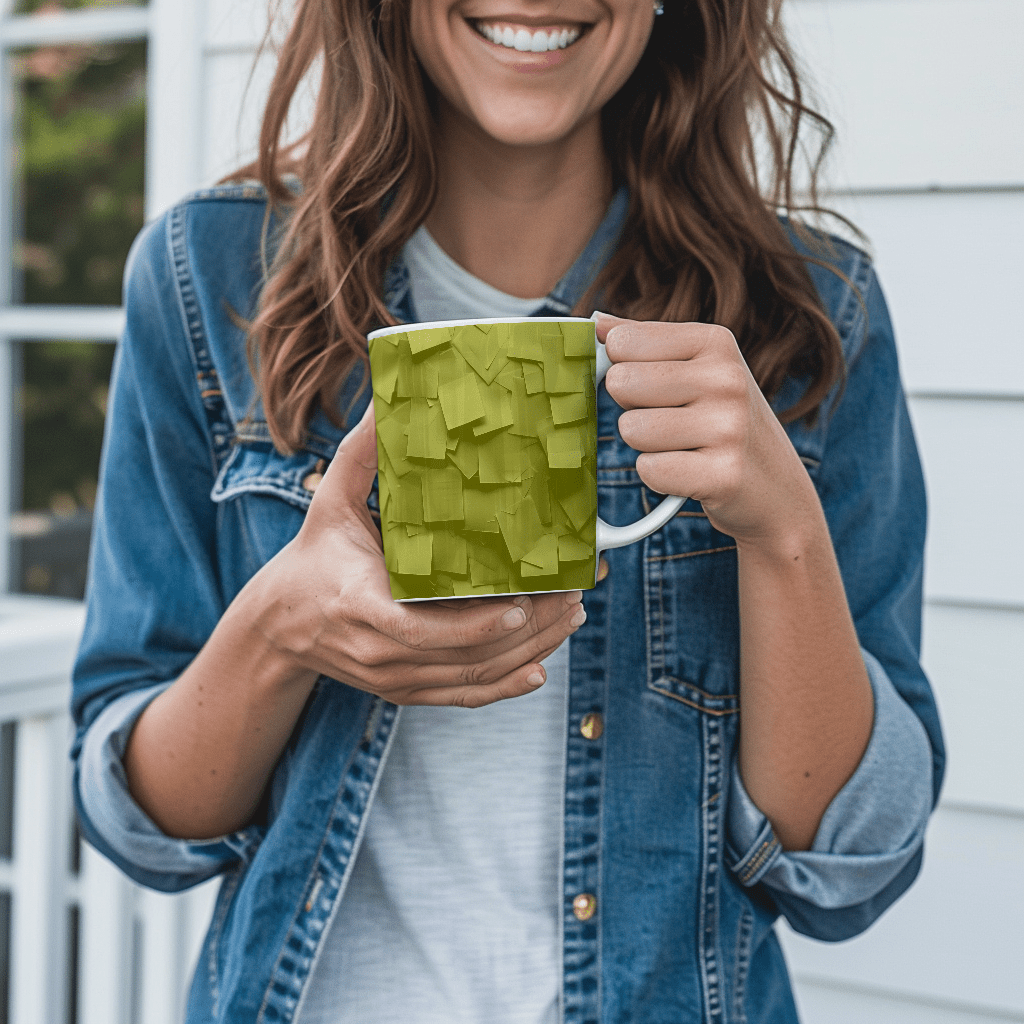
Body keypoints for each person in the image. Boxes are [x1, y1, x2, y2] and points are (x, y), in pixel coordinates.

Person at [70, 0, 944, 1020]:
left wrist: (781, 529)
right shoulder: (206, 280)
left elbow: (845, 871)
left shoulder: (810, 307)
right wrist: (280, 633)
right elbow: (142, 828)